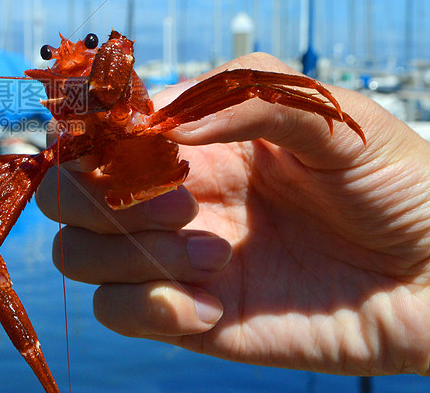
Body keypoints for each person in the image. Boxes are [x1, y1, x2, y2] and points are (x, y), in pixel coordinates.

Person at [34, 52, 430, 376]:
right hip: (120, 179)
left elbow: (253, 84)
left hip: (156, 144)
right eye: (51, 59)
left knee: (251, 82)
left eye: (90, 47)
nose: (71, 61)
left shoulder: (112, 61)